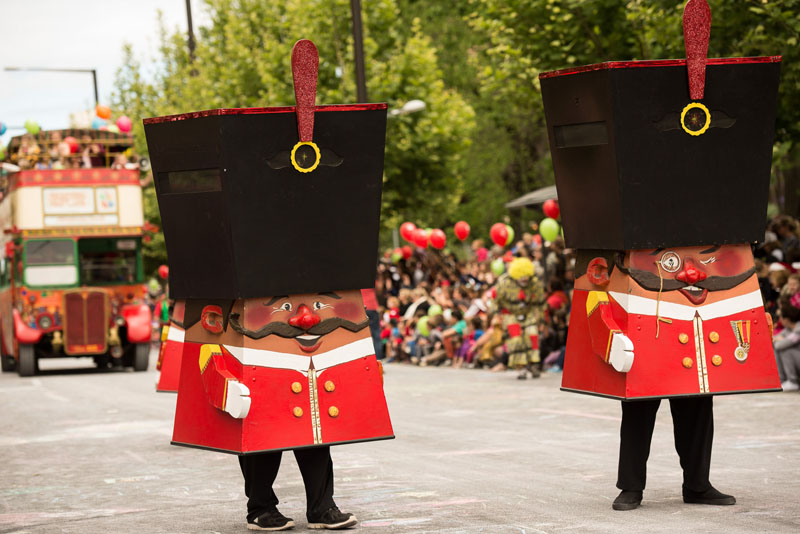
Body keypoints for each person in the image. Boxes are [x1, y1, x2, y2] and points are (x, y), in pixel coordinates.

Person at [539, 0, 781, 512]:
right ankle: (632, 485)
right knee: (641, 399)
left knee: (698, 399)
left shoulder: (709, 206)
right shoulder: (630, 216)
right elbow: (595, 294)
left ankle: (698, 482)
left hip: (694, 311)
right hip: (647, 302)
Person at [143, 39, 392, 531]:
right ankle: (261, 506)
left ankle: (322, 506)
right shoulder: (238, 248)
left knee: (314, 430)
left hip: (310, 348)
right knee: (259, 427)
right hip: (256, 337)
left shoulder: (323, 245)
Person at [491, 257, 544, 379]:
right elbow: (495, 300)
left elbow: (540, 303)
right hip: (510, 314)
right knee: (516, 339)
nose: (524, 279)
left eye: (526, 277)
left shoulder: (535, 283)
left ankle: (534, 364)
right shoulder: (504, 283)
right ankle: (521, 367)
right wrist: (495, 314)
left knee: (532, 334)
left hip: (529, 313)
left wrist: (540, 319)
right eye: (521, 277)